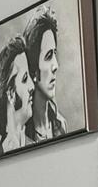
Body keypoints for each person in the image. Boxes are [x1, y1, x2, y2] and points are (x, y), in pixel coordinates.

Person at [27, 11, 68, 140]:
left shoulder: (60, 125)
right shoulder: (21, 136)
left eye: (55, 53)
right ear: (34, 70)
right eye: (48, 56)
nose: (56, 65)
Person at [1, 36, 43, 151]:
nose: (32, 86)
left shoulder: (34, 147)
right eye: (25, 79)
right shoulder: (0, 155)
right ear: (10, 93)